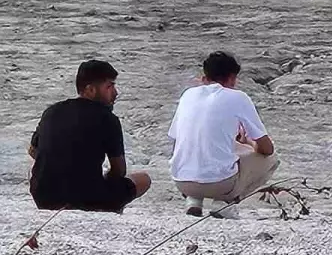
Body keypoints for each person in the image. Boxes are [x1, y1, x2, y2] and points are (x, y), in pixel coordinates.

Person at [28, 61, 152, 213]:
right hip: (87, 199)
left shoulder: (52, 111)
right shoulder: (108, 118)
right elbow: (119, 170)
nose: (115, 92)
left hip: (43, 197)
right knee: (143, 179)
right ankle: (112, 210)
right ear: (90, 90)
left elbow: (33, 151)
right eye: (109, 86)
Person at [168, 52, 278, 219]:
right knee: (272, 159)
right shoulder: (238, 97)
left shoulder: (188, 94)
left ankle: (194, 200)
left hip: (182, 182)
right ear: (232, 78)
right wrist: (249, 142)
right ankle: (225, 203)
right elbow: (267, 148)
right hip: (220, 185)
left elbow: (176, 139)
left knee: (209, 147)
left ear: (204, 77)